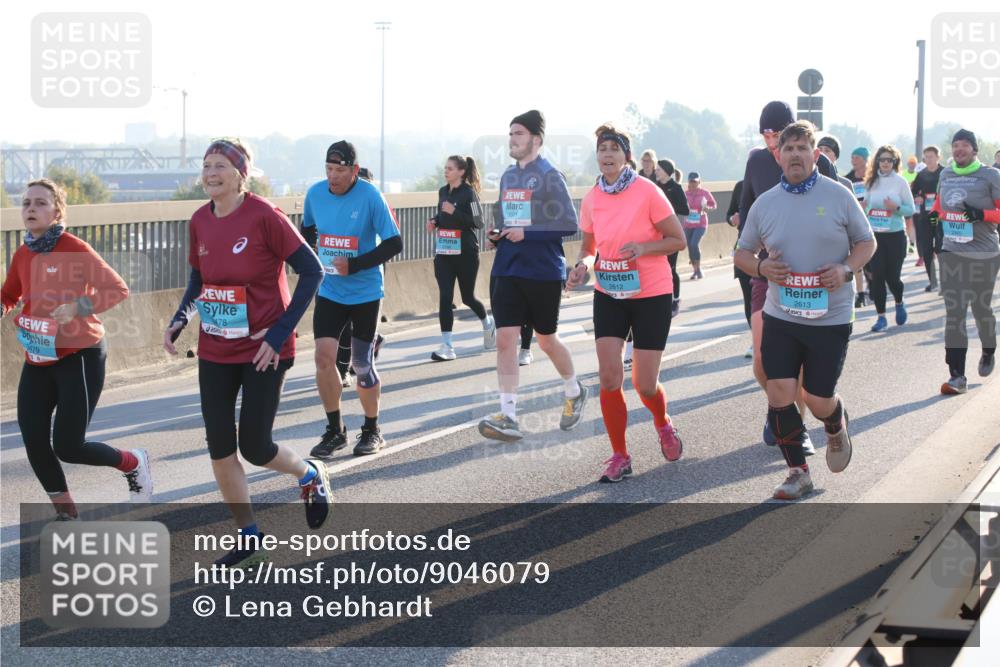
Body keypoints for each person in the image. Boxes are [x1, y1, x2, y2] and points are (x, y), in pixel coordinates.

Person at [163, 139, 330, 565]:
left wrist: (280, 332)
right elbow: (198, 281)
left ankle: (309, 474)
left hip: (264, 348)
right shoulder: (200, 220)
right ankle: (248, 534)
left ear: (241, 174)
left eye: (220, 165)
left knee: (255, 447)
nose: (211, 173)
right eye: (206, 165)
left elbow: (313, 271)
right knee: (220, 447)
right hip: (215, 347)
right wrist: (181, 317)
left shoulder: (264, 216)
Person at [735, 121, 876, 500]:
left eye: (802, 148)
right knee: (779, 392)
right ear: (778, 156)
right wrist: (762, 267)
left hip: (830, 316)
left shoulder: (839, 195)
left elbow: (867, 243)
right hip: (782, 313)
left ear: (814, 155)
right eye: (788, 148)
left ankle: (834, 421)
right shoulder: (765, 203)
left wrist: (845, 270)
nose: (795, 154)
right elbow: (742, 253)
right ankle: (798, 472)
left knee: (816, 399)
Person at [2, 178, 147, 520]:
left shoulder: (74, 248)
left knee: (68, 446)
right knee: (34, 439)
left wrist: (77, 307)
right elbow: (9, 294)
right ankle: (66, 513)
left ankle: (132, 462)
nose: (31, 208)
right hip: (39, 356)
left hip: (80, 353)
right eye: (26, 203)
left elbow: (117, 289)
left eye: (40, 203)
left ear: (57, 212)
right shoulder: (23, 253)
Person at [566, 123, 686, 482]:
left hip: (651, 293)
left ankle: (663, 423)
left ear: (626, 156)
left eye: (614, 149)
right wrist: (583, 266)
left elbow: (677, 239)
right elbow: (590, 247)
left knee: (644, 384)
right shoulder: (592, 198)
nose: (607, 155)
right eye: (602, 149)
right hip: (609, 292)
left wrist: (644, 248)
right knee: (608, 377)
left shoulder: (647, 191)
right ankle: (620, 455)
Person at [478, 110, 586, 441]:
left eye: (519, 134)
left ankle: (574, 390)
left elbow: (569, 224)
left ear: (536, 140)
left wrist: (528, 233)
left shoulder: (550, 176)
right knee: (505, 339)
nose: (512, 139)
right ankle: (508, 415)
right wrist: (497, 234)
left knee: (546, 339)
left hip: (542, 270)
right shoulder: (508, 176)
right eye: (511, 133)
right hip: (508, 268)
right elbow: (504, 217)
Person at [739, 100, 837, 453]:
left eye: (777, 134)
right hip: (767, 272)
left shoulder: (819, 162)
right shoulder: (756, 161)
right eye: (765, 134)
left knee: (799, 363)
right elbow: (746, 213)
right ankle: (781, 409)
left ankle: (793, 424)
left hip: (809, 277)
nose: (771, 141)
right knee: (761, 361)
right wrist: (753, 260)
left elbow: (838, 214)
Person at [302, 141, 403, 458]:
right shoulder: (315, 194)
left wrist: (355, 264)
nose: (332, 176)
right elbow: (306, 232)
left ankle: (372, 430)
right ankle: (335, 431)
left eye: (339, 170)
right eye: (328, 169)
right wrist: (314, 255)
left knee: (361, 363)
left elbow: (394, 243)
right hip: (330, 290)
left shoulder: (370, 196)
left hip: (365, 292)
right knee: (323, 358)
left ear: (354, 170)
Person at [931, 129, 1000, 394]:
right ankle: (957, 376)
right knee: (955, 312)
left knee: (981, 308)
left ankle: (988, 350)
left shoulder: (990, 175)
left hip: (984, 253)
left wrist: (981, 214)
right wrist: (933, 223)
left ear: (974, 149)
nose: (959, 149)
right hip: (952, 251)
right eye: (955, 145)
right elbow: (939, 206)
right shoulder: (946, 174)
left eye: (964, 145)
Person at [426, 155, 496, 361]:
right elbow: (443, 216)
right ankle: (447, 346)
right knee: (445, 296)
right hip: (444, 252)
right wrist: (434, 221)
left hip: (466, 253)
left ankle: (487, 323)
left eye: (450, 168)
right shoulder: (442, 191)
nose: (445, 171)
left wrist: (454, 211)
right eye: (445, 168)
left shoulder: (469, 193)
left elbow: (478, 222)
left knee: (467, 298)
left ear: (461, 172)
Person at [336, 167, 386, 386]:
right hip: (340, 275)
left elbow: (392, 241)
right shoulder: (340, 205)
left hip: (370, 273)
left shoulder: (377, 204)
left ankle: (353, 368)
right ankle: (343, 368)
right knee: (344, 326)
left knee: (353, 328)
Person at [864, 144, 915, 332]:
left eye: (889, 160)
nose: (885, 163)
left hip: (895, 236)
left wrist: (896, 208)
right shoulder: (871, 182)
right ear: (877, 161)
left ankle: (899, 302)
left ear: (895, 162)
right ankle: (881, 317)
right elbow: (867, 206)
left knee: (893, 278)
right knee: (877, 276)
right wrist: (864, 208)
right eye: (882, 159)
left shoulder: (900, 182)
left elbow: (911, 209)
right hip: (876, 236)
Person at [655, 159, 689, 318]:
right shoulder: (654, 187)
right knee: (658, 268)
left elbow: (685, 210)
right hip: (656, 235)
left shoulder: (676, 188)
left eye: (659, 169)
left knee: (671, 268)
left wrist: (667, 210)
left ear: (667, 171)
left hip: (672, 235)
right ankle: (661, 299)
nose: (656, 171)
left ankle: (675, 299)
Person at [911, 145, 944, 292]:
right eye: (926, 157)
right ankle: (933, 282)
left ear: (938, 157)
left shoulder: (945, 173)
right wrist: (917, 197)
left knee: (941, 248)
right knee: (927, 250)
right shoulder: (922, 175)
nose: (928, 159)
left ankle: (945, 281)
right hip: (926, 216)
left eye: (931, 156)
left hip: (941, 217)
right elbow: (912, 192)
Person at [844, 147, 872, 307]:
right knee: (859, 259)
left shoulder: (873, 178)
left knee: (872, 262)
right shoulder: (848, 179)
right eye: (852, 157)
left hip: (875, 222)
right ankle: (861, 293)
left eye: (857, 157)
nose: (853, 160)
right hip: (856, 223)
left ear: (865, 159)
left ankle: (871, 286)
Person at [683, 172, 717, 280]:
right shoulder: (685, 194)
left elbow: (714, 205)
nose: (693, 184)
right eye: (691, 181)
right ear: (688, 182)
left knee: (694, 243)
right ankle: (695, 270)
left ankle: (698, 269)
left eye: (695, 182)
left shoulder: (704, 193)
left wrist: (708, 208)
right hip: (688, 223)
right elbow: (680, 206)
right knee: (689, 246)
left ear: (699, 182)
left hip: (700, 223)